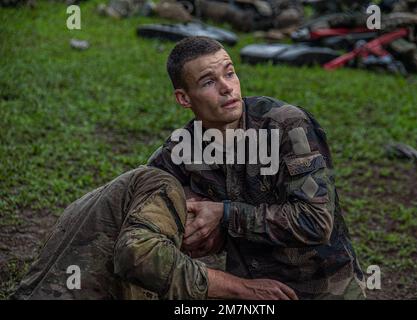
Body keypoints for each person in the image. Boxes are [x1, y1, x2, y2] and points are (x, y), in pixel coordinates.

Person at [148, 36, 367, 299]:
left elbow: (316, 221)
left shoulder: (286, 127)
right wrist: (187, 216)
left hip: (324, 289)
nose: (227, 88)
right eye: (208, 82)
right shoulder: (180, 150)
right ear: (184, 98)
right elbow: (140, 203)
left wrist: (224, 214)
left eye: (230, 73)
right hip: (250, 292)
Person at [13, 166, 298, 300]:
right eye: (216, 241)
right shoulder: (165, 186)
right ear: (201, 209)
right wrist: (242, 289)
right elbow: (138, 255)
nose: (204, 251)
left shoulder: (117, 202)